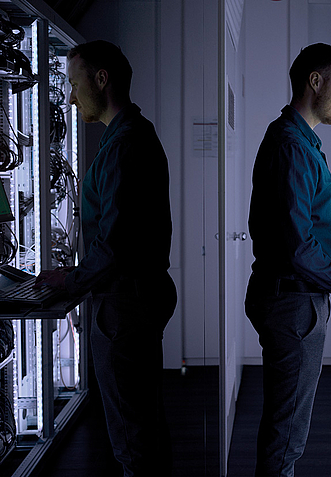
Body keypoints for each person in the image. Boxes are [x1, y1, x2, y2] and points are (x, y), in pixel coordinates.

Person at [35, 40, 177, 477]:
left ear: (102, 79)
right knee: (145, 428)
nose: (72, 97)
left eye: (75, 85)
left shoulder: (124, 145)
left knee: (132, 440)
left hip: (123, 306)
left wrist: (71, 282)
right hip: (131, 301)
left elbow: (116, 243)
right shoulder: (133, 134)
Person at [245, 43, 331, 477]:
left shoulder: (293, 138)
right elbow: (295, 247)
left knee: (283, 426)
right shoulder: (292, 146)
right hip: (293, 305)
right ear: (315, 81)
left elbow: (295, 235)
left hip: (287, 293)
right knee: (287, 435)